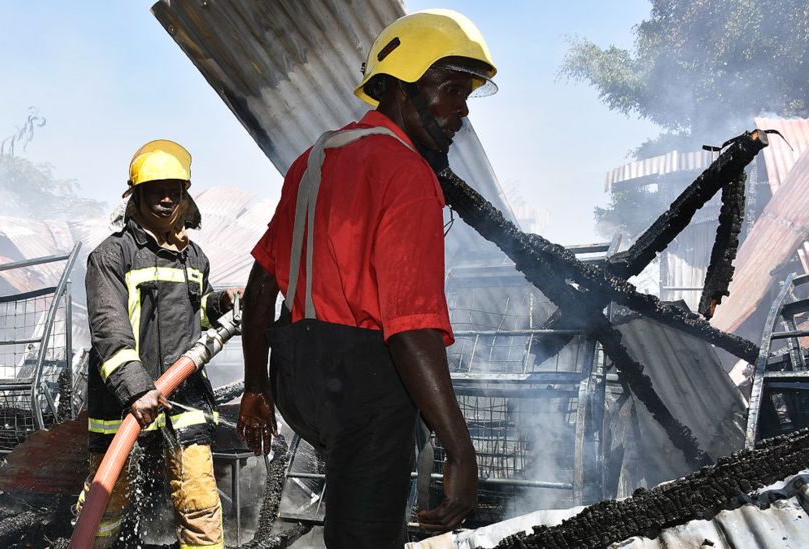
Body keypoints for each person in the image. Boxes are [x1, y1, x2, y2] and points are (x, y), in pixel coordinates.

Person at [236, 9, 499, 548]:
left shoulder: (312, 160)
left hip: (302, 381)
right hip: (367, 387)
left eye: (467, 94)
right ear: (399, 88)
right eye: (450, 90)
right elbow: (410, 326)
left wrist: (256, 387)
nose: (461, 111)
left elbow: (262, 288)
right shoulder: (408, 174)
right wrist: (459, 448)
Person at [80, 139, 240, 549]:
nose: (167, 198)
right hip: (123, 403)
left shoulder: (195, 257)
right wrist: (136, 389)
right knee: (106, 505)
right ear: (136, 197)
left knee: (200, 504)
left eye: (175, 189)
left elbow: (192, 316)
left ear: (185, 197)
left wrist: (220, 303)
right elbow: (108, 327)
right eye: (156, 189)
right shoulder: (112, 256)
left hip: (183, 400)